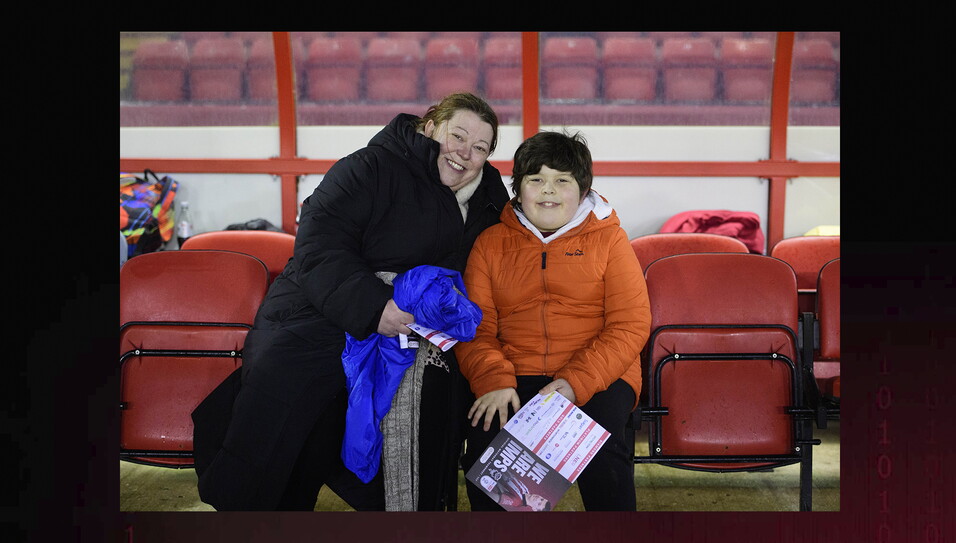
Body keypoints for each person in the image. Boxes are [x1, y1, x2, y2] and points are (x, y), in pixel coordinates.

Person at [191, 93, 510, 511]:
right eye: (458, 136)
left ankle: (409, 509)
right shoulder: (370, 166)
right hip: (318, 309)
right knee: (288, 395)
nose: (465, 154)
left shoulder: (488, 195)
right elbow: (319, 247)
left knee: (430, 399)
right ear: (431, 126)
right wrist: (375, 307)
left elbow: (510, 251)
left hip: (416, 329)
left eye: (480, 148)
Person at [455, 130, 651, 511]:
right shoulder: (490, 243)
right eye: (536, 179)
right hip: (514, 371)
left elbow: (630, 324)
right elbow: (475, 326)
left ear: (581, 189)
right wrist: (493, 380)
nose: (548, 191)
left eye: (562, 180)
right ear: (518, 188)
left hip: (599, 373)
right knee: (489, 464)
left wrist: (575, 384)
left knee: (603, 456)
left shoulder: (609, 239)